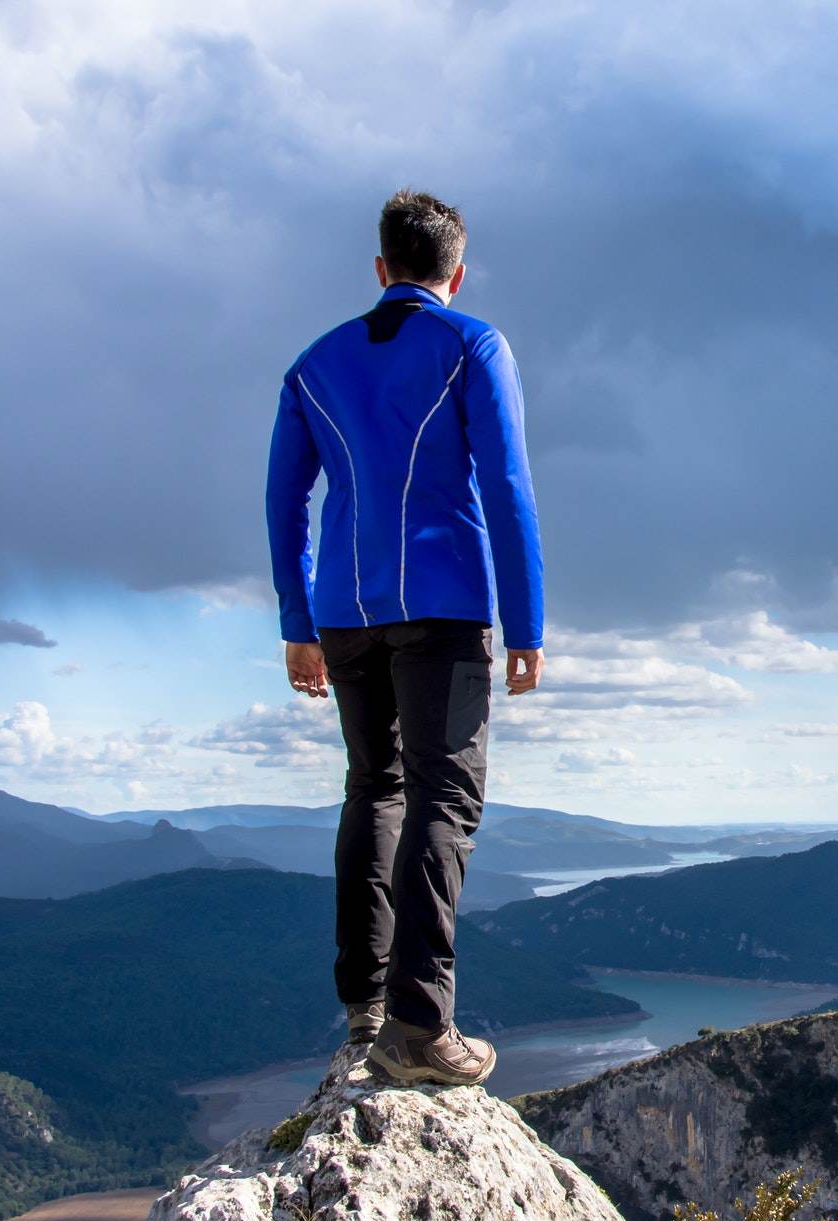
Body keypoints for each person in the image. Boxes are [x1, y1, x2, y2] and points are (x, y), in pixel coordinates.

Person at [264, 189, 544, 1088]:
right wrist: (527, 621)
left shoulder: (313, 364)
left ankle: (366, 1008)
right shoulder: (473, 344)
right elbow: (505, 484)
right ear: (454, 275)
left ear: (381, 269)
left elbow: (283, 501)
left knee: (373, 791)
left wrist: (296, 622)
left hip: (343, 614)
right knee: (444, 801)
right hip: (443, 605)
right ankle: (423, 1027)